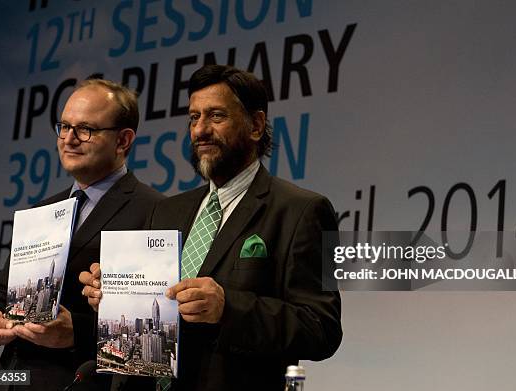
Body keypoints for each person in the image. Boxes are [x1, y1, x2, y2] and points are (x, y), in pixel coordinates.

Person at [80, 65, 343, 390]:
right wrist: (111, 296)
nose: (200, 130)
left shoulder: (301, 210)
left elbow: (322, 328)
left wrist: (227, 308)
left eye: (216, 116)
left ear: (256, 125)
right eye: (194, 117)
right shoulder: (166, 211)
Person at [0, 79, 164, 390]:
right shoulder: (42, 210)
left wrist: (78, 332)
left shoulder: (155, 211)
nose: (69, 139)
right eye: (64, 126)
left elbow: (151, 332)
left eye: (86, 129)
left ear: (123, 140)